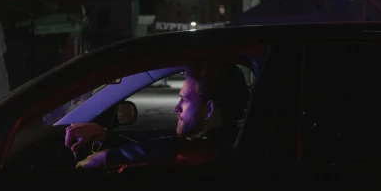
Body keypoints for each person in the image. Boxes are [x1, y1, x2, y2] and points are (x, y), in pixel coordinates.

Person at [65, 64, 251, 168]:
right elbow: (156, 145)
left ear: (209, 109)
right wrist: (106, 136)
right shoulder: (228, 137)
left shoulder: (218, 151)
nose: (176, 108)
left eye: (185, 100)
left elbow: (173, 149)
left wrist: (106, 157)